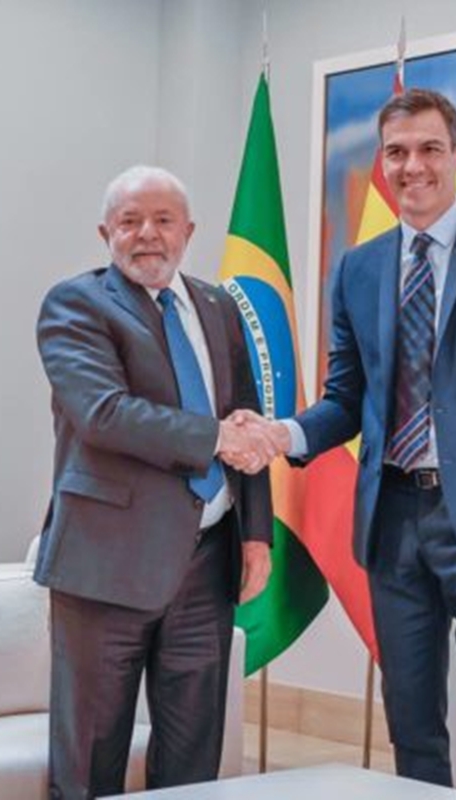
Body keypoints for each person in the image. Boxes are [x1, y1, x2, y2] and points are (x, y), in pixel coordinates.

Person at [239, 88, 456, 799]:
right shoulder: (358, 268)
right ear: (382, 160)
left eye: (429, 149)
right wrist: (283, 433)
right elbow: (346, 399)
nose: (412, 166)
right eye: (396, 152)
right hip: (392, 523)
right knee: (412, 723)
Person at [34, 165, 276, 799]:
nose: (147, 234)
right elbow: (104, 414)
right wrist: (216, 438)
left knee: (193, 758)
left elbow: (246, 417)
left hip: (207, 565)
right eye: (130, 221)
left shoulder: (219, 306)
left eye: (163, 220)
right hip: (106, 565)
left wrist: (256, 533)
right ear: (105, 233)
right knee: (90, 759)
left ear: (188, 231)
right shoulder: (75, 305)